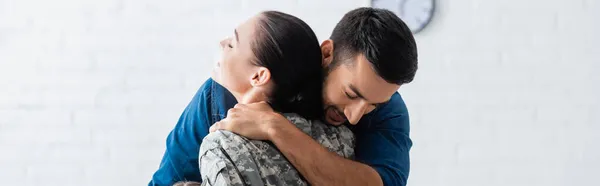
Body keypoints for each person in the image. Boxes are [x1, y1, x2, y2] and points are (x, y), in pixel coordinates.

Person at [150, 7, 418, 186]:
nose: (356, 114)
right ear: (326, 54)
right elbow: (167, 179)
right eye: (351, 94)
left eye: (374, 105)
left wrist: (275, 128)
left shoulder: (388, 109)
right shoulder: (221, 95)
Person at [199, 11, 354, 186]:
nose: (223, 42)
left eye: (233, 44)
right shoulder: (341, 138)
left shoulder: (221, 147)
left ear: (258, 77)